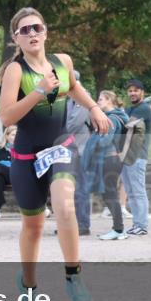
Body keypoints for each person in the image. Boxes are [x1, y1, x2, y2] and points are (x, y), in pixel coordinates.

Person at [0, 7, 109, 301]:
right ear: (16, 38)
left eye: (36, 28)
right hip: (26, 155)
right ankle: (28, 286)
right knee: (33, 227)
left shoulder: (63, 62)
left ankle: (74, 276)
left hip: (59, 146)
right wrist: (38, 92)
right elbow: (6, 117)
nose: (31, 34)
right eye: (24, 30)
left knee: (65, 205)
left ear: (45, 31)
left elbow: (73, 86)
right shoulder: (16, 72)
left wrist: (94, 109)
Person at [82, 91, 129, 241]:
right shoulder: (113, 117)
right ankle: (118, 228)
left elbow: (106, 141)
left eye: (100, 99)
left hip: (110, 159)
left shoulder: (112, 119)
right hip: (110, 160)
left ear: (109, 100)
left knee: (110, 194)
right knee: (108, 194)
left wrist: (94, 140)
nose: (97, 101)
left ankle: (119, 229)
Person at [122, 79, 151, 236]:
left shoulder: (143, 108)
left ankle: (142, 225)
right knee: (130, 191)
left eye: (136, 90)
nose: (132, 93)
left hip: (138, 155)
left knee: (138, 191)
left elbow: (126, 125)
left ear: (142, 92)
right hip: (126, 155)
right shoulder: (129, 108)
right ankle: (137, 224)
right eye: (130, 90)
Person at [65, 71, 93, 236]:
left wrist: (55, 129)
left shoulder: (83, 98)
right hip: (69, 150)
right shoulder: (69, 100)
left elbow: (73, 124)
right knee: (68, 190)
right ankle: (70, 224)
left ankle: (82, 224)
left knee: (81, 190)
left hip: (81, 151)